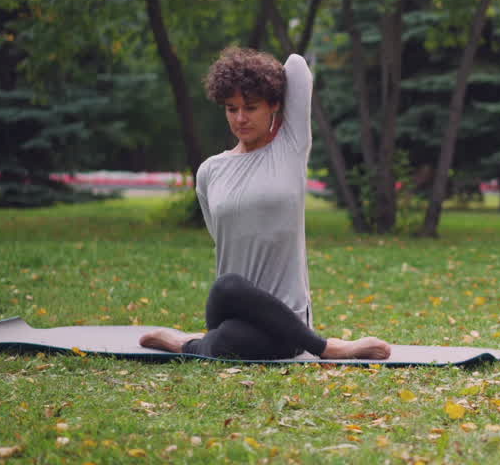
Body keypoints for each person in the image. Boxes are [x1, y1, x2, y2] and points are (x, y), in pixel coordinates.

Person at [140, 47, 390, 361]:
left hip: (288, 325)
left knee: (224, 340)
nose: (240, 118)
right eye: (231, 108)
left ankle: (189, 344)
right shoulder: (209, 171)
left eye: (251, 107)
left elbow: (296, 66)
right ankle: (324, 347)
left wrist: (268, 89)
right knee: (227, 287)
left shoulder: (290, 148)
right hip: (230, 306)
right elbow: (222, 237)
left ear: (274, 104)